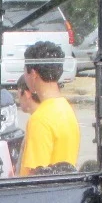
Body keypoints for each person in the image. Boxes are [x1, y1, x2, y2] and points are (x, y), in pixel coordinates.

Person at [18, 40, 80, 175]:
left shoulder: (40, 119)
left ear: (33, 74)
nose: (25, 77)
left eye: (25, 71)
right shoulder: (66, 109)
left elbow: (34, 175)